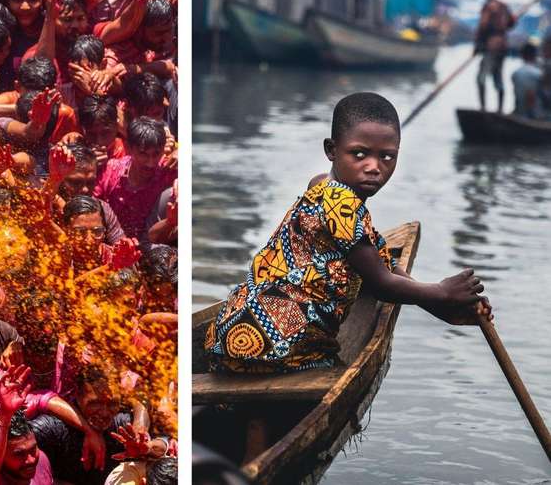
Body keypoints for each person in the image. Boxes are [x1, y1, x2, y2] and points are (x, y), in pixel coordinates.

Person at [205, 92, 492, 374]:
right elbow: (380, 282)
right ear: (331, 150)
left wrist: (443, 306)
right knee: (333, 362)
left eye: (387, 157)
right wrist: (441, 291)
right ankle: (263, 417)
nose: (373, 168)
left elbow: (380, 264)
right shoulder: (343, 206)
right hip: (274, 347)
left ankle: (258, 419)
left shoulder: (320, 185)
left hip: (230, 335)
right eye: (359, 154)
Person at [94, 117, 174, 239]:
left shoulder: (169, 171)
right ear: (128, 148)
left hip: (153, 247)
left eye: (156, 154)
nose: (151, 163)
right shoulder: (110, 172)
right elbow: (93, 207)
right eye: (143, 154)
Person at [474, 0, 515, 113]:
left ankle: (483, 110)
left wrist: (477, 46)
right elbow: (511, 23)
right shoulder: (503, 6)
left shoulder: (489, 7)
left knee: (481, 78)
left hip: (491, 47)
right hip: (502, 47)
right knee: (498, 78)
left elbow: (483, 27)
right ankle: (499, 110)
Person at [511, 42, 543, 119]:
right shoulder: (537, 74)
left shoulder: (516, 73)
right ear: (535, 55)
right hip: (535, 115)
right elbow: (530, 96)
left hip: (520, 113)